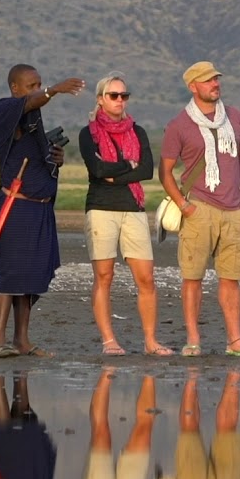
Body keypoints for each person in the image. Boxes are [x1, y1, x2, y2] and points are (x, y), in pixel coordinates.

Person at [159, 61, 240, 358]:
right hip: (199, 209)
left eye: (216, 79)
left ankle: (235, 341)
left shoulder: (234, 116)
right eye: (207, 80)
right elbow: (165, 171)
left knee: (231, 278)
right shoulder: (179, 124)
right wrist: (184, 206)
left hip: (234, 210)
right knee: (192, 277)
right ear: (193, 86)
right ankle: (193, 340)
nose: (215, 84)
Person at [0, 64, 84, 359]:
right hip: (15, 205)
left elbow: (35, 152)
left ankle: (22, 340)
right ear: (15, 88)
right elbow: (31, 101)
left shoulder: (32, 120)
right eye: (31, 85)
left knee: (31, 276)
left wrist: (55, 159)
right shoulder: (4, 110)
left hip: (40, 208)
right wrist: (55, 89)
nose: (38, 89)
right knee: (10, 273)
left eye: (40, 83)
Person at [78, 73, 173, 357]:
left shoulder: (138, 131)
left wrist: (115, 173)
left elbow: (145, 170)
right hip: (100, 209)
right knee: (104, 276)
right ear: (100, 99)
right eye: (113, 95)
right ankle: (109, 341)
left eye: (124, 95)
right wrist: (125, 166)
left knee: (146, 278)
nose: (120, 100)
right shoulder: (89, 133)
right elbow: (97, 171)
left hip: (133, 208)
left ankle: (150, 341)